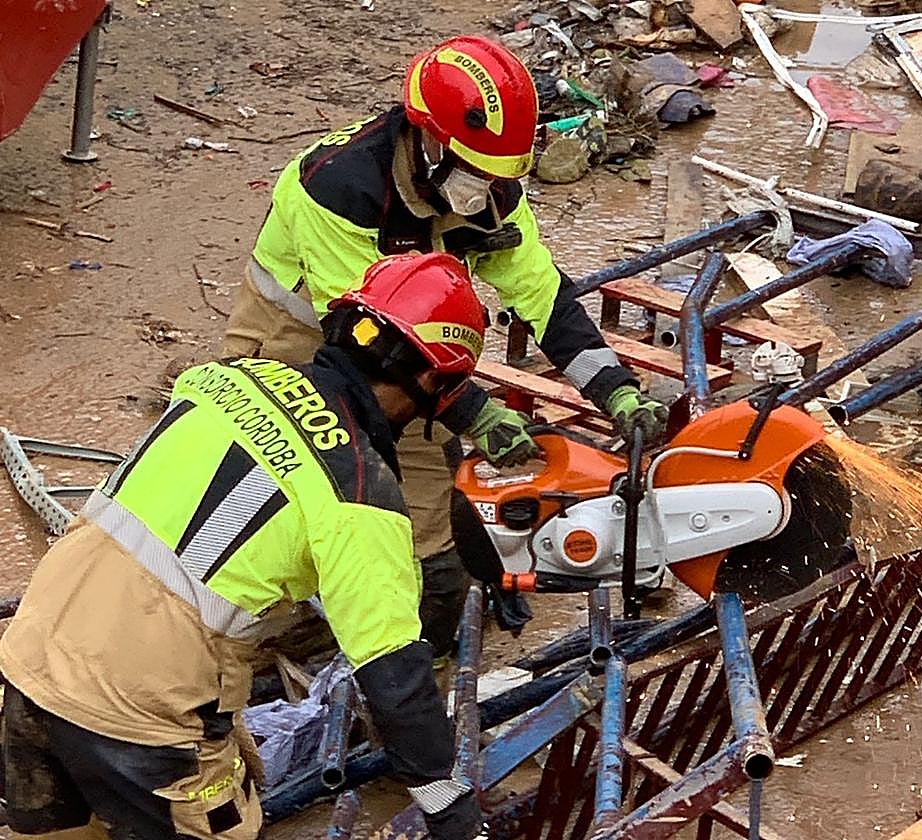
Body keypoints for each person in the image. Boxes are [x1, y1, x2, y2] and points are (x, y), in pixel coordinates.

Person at [0, 253, 489, 840]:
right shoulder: (360, 497)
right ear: (433, 382)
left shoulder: (223, 378)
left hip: (33, 649)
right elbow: (394, 676)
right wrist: (448, 804)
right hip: (146, 713)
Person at [219, 34, 668, 654]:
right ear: (429, 141)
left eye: (496, 178)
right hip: (303, 336)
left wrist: (614, 390)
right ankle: (273, 639)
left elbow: (541, 294)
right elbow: (367, 340)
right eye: (475, 175)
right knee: (298, 492)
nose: (482, 195)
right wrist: (476, 412)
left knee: (428, 537)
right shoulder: (339, 189)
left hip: (413, 345)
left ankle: (405, 649)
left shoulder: (491, 187)